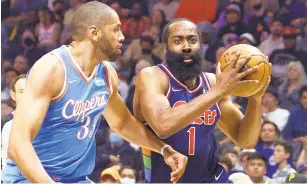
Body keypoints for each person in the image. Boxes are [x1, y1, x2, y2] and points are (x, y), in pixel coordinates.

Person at [2, 2, 187, 183]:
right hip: (28, 177)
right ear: (94, 33)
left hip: (74, 179)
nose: (122, 36)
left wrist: (163, 149)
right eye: (116, 29)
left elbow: (122, 124)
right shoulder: (51, 69)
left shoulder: (106, 74)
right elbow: (18, 145)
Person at [133, 18, 271, 183]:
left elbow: (245, 140)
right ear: (166, 48)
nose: (186, 47)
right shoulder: (152, 76)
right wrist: (218, 91)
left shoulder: (212, 82)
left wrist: (255, 99)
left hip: (210, 178)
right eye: (178, 41)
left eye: (192, 40)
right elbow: (163, 125)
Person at [1, 74, 26, 169]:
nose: (26, 95)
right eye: (21, 91)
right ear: (13, 95)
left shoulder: (49, 121)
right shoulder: (4, 123)